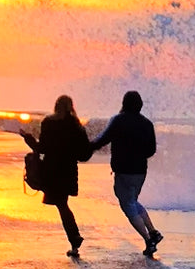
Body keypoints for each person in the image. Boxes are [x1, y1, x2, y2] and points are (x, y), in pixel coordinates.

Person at [90, 90, 163, 256]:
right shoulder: (147, 124)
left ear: (124, 103)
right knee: (132, 200)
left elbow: (102, 139)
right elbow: (151, 150)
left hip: (124, 170)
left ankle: (148, 239)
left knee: (127, 204)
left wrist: (87, 148)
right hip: (140, 171)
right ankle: (152, 232)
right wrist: (138, 155)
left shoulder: (118, 120)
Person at [22, 95, 92, 257]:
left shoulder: (49, 123)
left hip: (52, 171)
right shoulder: (76, 125)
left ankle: (75, 239)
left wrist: (28, 138)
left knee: (62, 205)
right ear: (71, 107)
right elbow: (84, 154)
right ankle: (74, 241)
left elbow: (43, 148)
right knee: (62, 204)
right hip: (68, 171)